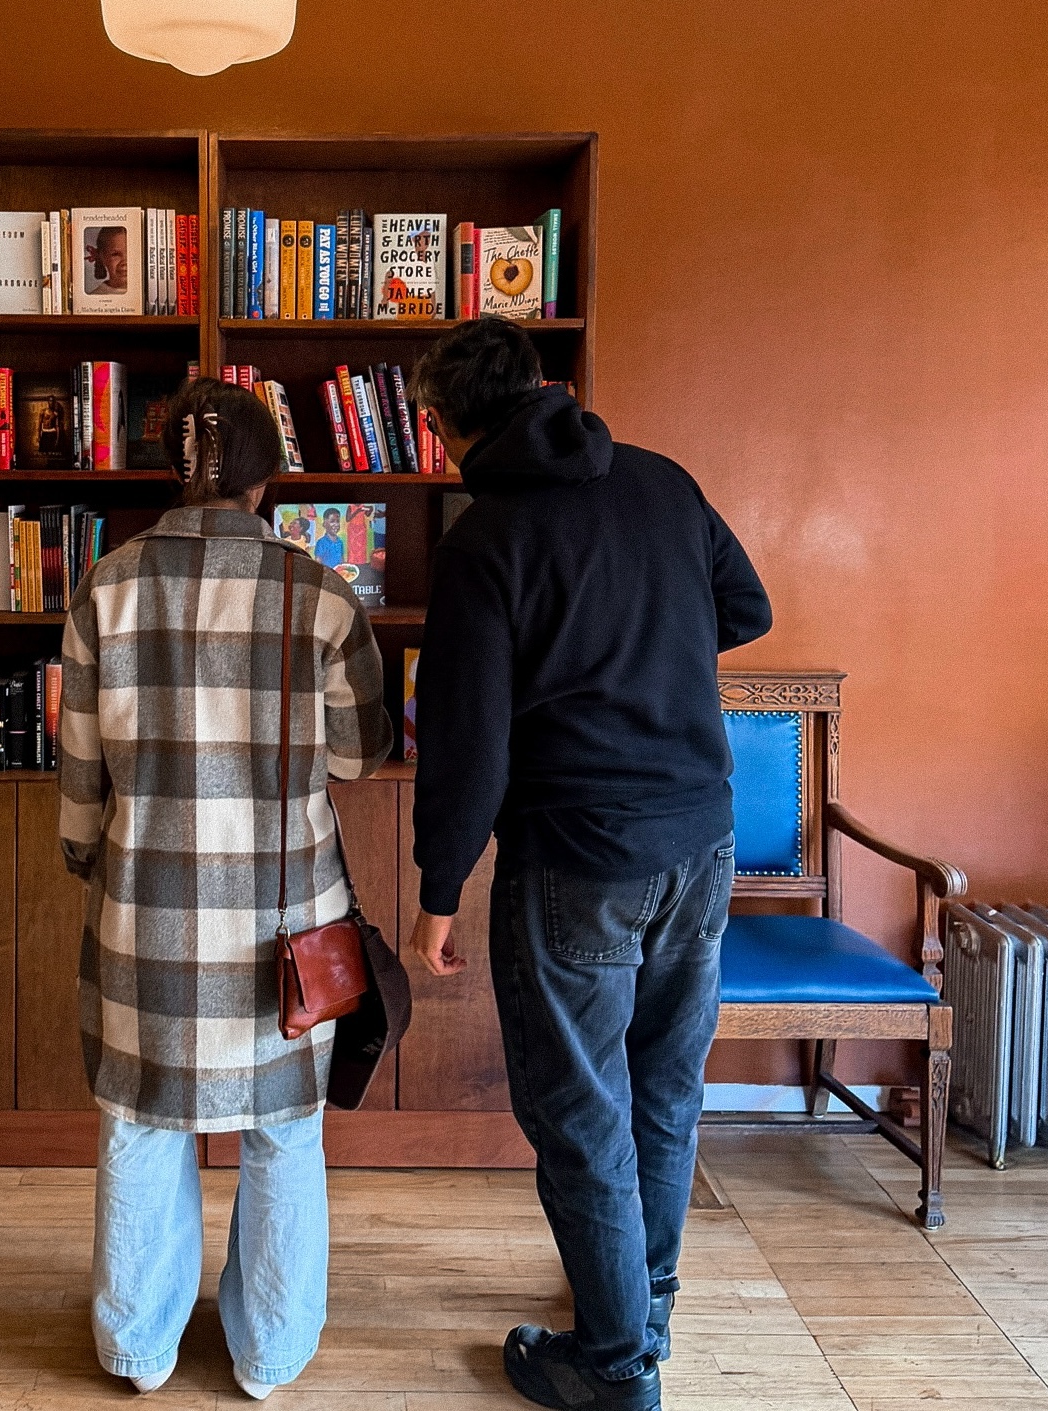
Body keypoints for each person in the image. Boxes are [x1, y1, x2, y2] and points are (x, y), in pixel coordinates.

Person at [405, 318, 772, 1411]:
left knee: (580, 1110)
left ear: (445, 426)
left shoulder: (486, 538)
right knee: (662, 1092)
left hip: (577, 856)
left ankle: (613, 1367)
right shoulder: (660, 482)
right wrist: (644, 645)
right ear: (544, 386)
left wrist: (437, 890)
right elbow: (746, 606)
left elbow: (466, 740)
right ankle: (642, 1314)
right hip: (701, 841)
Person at [59, 377, 393, 1400]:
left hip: (143, 913)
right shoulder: (321, 592)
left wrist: (88, 855)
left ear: (172, 468)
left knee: (140, 1123)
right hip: (284, 924)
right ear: (265, 477)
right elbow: (359, 755)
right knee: (282, 1131)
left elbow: (80, 771)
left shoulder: (102, 587)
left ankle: (139, 1350)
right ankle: (268, 1354)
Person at [86, 225, 129, 294]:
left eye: (131, 252)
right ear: (103, 257)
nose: (125, 261)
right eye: (115, 254)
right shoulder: (96, 296)